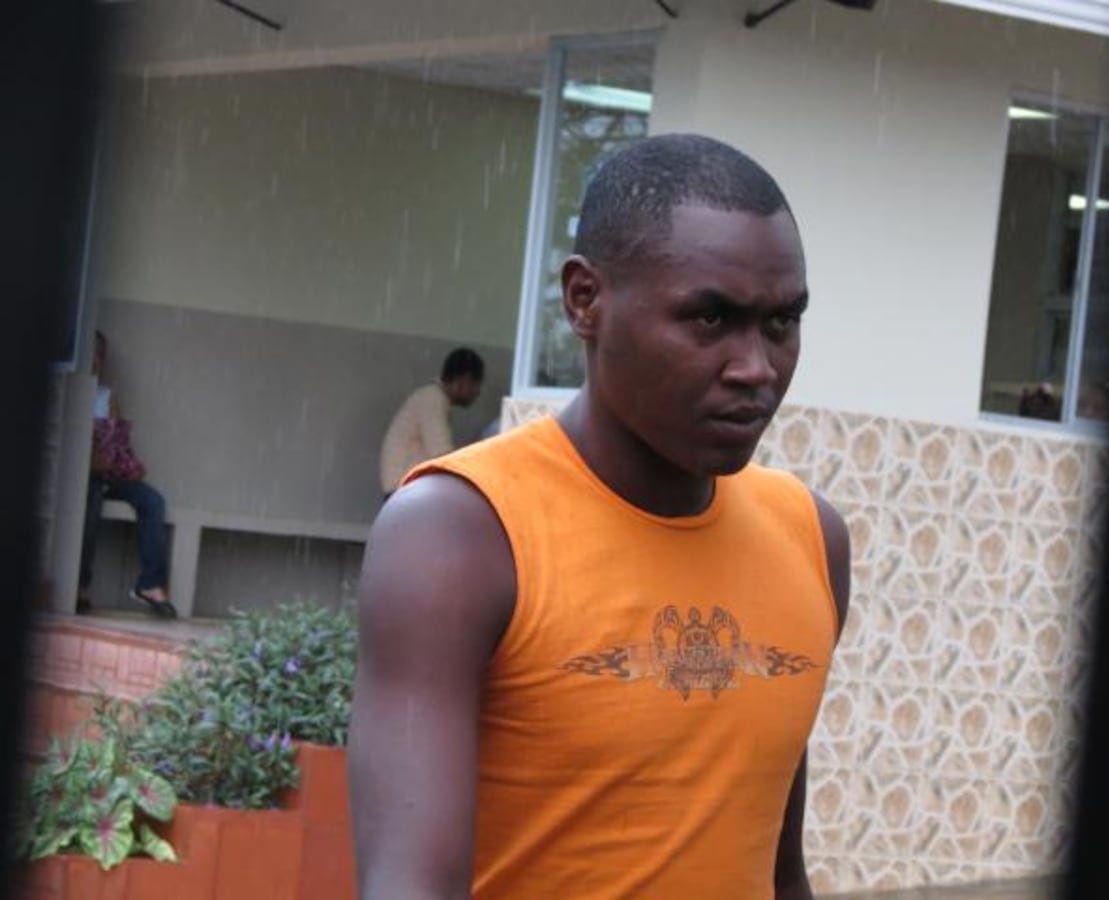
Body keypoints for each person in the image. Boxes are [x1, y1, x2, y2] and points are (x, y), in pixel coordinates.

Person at [349, 134, 850, 899]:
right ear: (586, 300)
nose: (756, 367)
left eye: (781, 323)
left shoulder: (810, 538)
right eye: (710, 319)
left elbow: (778, 873)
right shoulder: (460, 535)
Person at [78, 331, 176, 618]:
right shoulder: (65, 390)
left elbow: (117, 444)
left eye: (99, 354)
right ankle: (79, 585)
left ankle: (150, 584)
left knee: (152, 501)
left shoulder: (106, 397)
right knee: (90, 500)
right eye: (89, 353)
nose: (95, 360)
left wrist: (125, 463)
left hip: (109, 473)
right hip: (82, 477)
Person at [377, 347, 484, 499]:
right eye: (477, 384)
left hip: (403, 491)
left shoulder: (430, 397)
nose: (478, 392)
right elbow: (442, 455)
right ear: (465, 380)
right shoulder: (433, 399)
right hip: (403, 492)